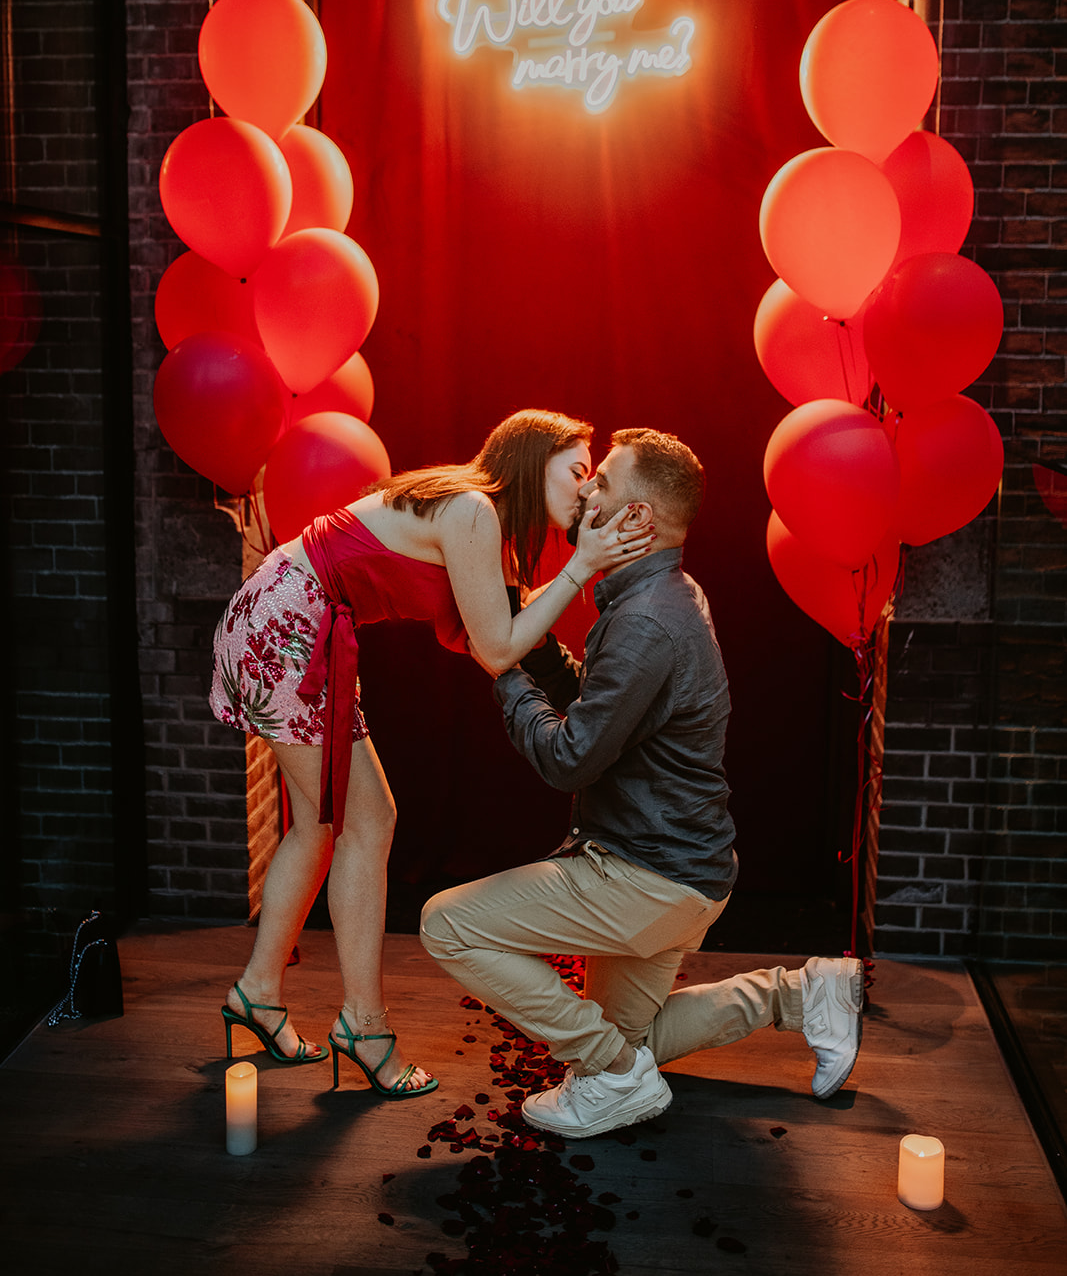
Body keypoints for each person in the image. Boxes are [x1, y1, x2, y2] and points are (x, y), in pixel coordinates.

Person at [420, 427, 863, 1137]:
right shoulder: (657, 594)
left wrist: (502, 671)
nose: (585, 488)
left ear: (636, 520)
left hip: (646, 876)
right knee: (630, 1038)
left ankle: (615, 1080)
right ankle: (801, 995)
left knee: (447, 923)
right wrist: (532, 646)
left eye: (601, 484)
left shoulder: (648, 622)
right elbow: (604, 703)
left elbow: (569, 757)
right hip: (684, 869)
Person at [210, 409, 652, 1099]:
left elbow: (501, 643)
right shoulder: (473, 511)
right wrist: (583, 566)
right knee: (367, 822)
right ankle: (362, 1026)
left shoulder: (486, 530)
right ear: (531, 463)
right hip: (288, 621)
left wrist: (595, 703)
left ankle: (258, 995)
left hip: (292, 617)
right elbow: (500, 647)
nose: (586, 486)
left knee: (323, 825)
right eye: (575, 470)